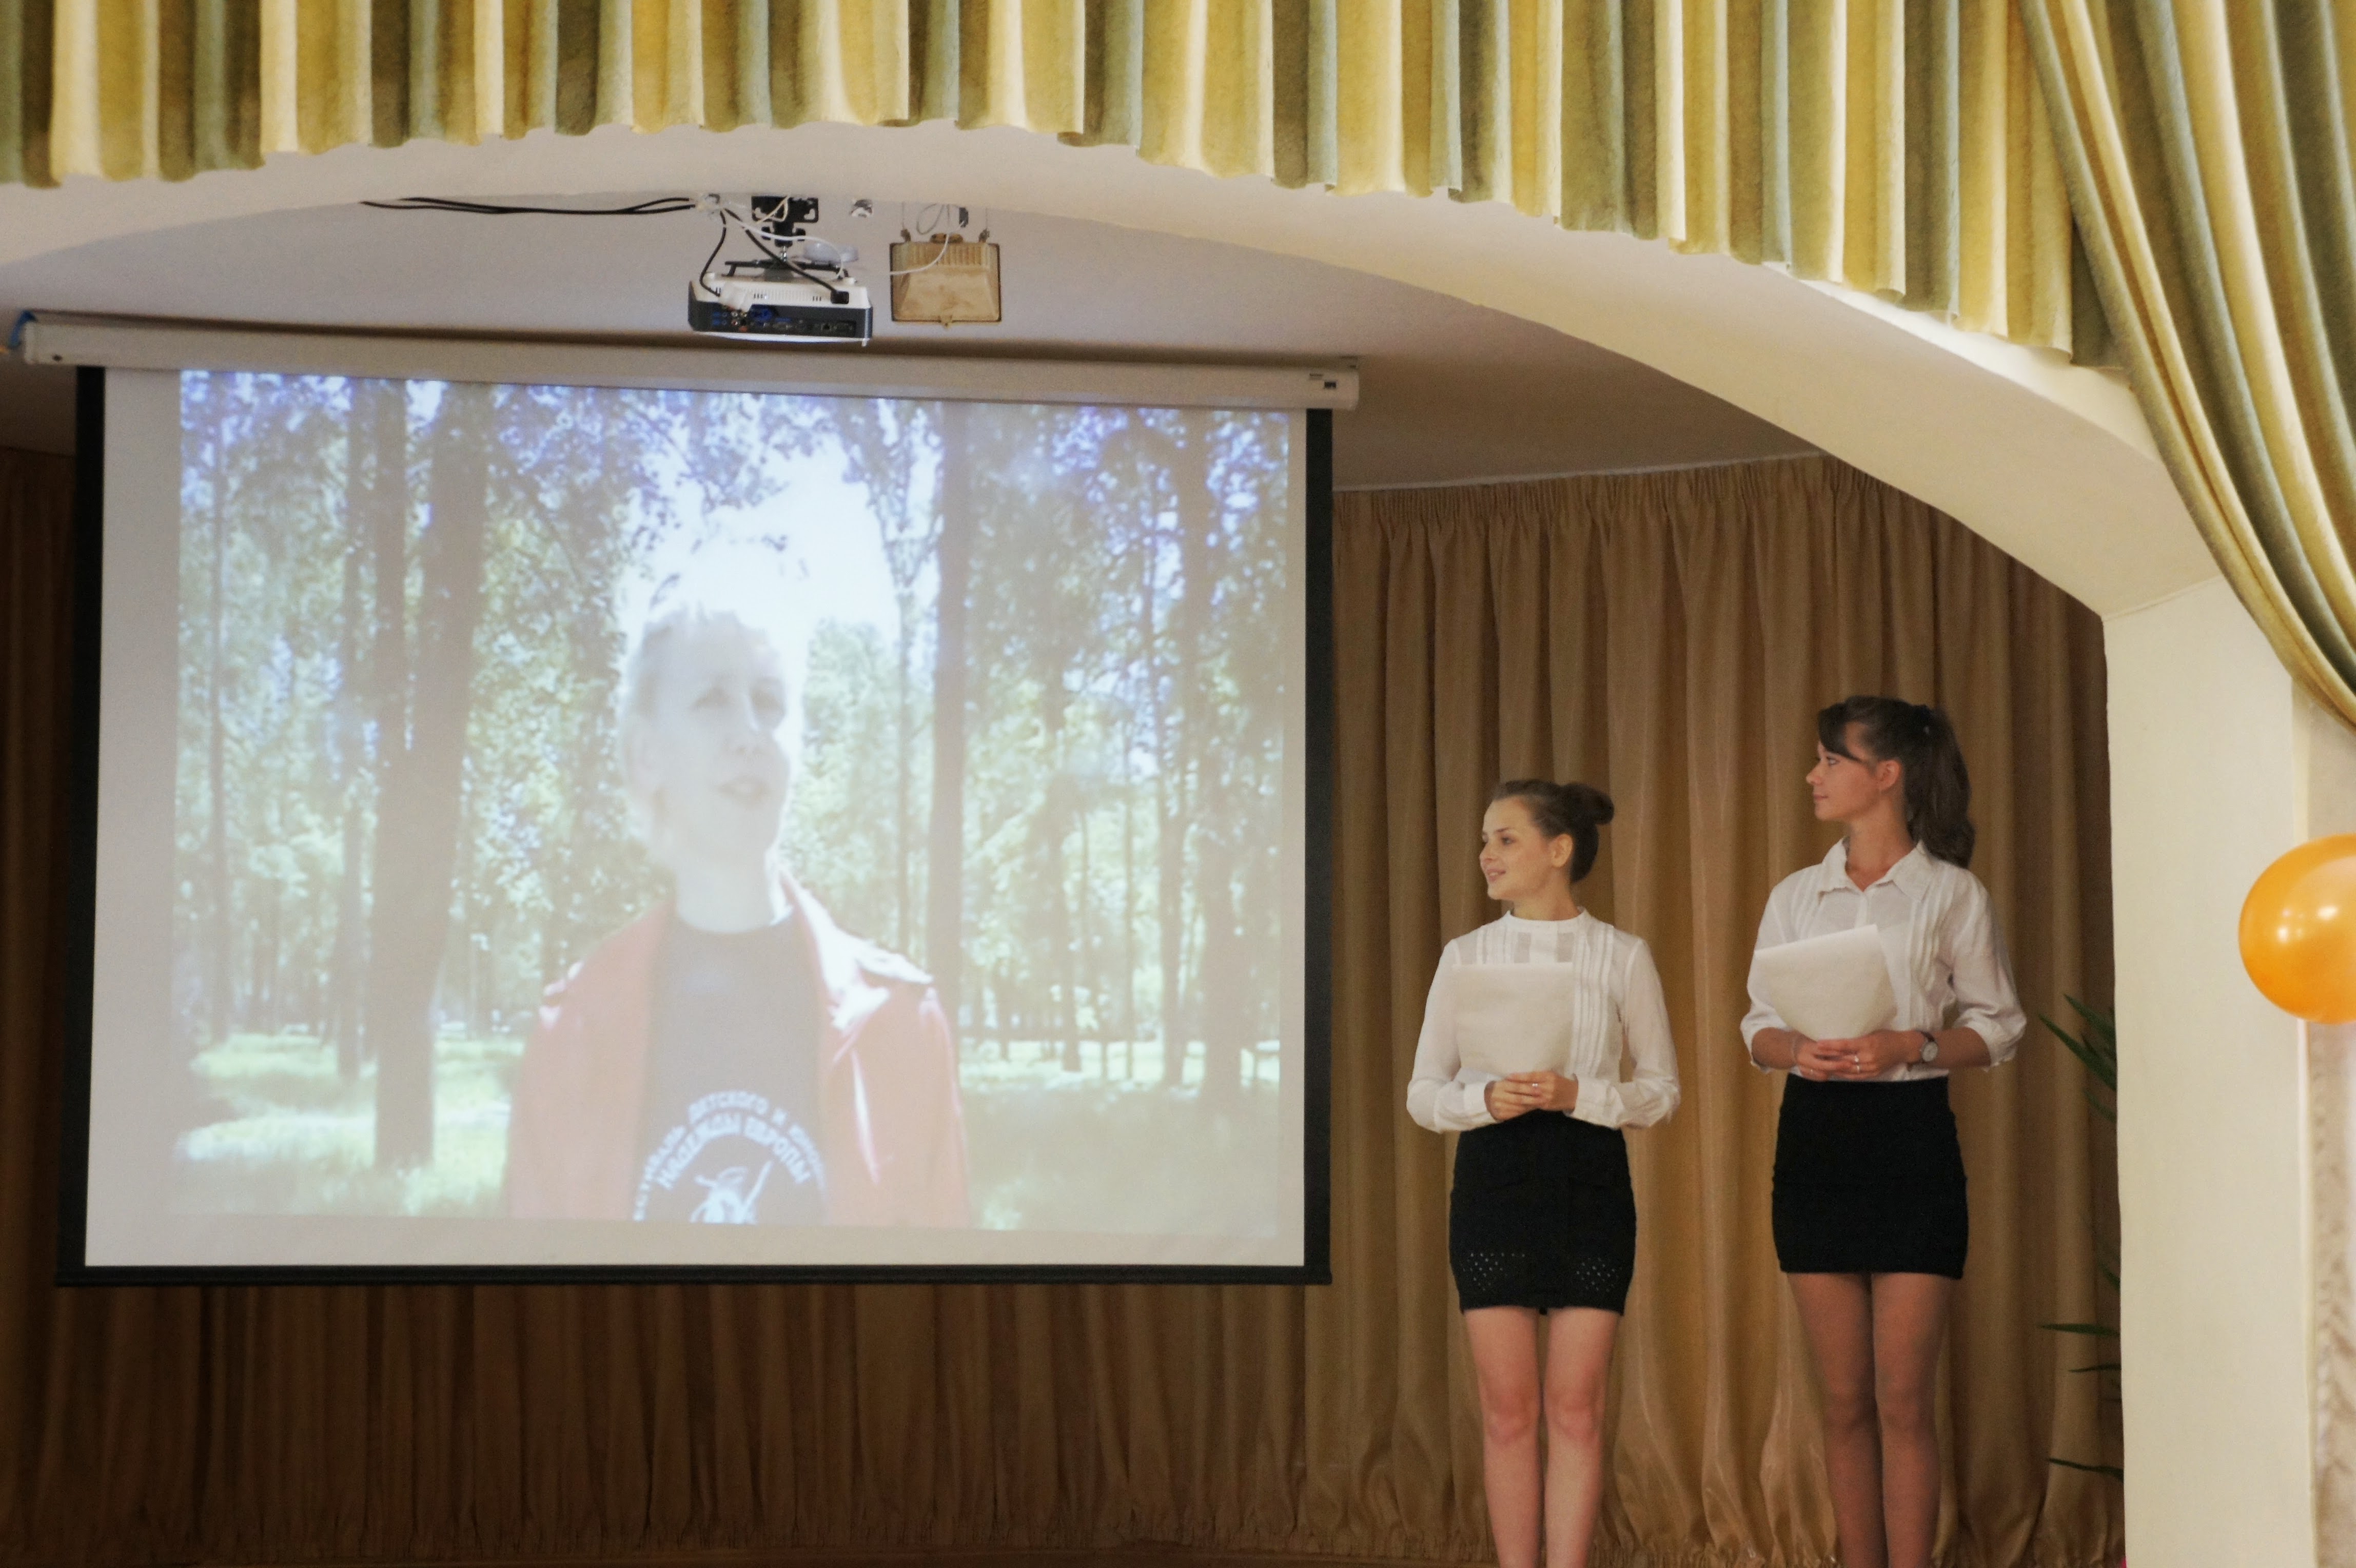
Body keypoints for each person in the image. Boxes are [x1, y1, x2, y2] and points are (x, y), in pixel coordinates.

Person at [504, 585, 968, 1227]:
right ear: (647, 755)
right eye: (712, 700)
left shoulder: (901, 1022)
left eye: (769, 702)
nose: (750, 732)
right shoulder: (572, 1032)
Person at [1742, 697, 2024, 1568]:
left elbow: (2000, 1026)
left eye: (1831, 760)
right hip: (1815, 1140)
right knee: (1843, 1402)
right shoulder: (1796, 895)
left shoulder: (1952, 892)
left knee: (1903, 1401)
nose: (1813, 775)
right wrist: (1798, 1050)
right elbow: (1755, 1026)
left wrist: (1913, 1045)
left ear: (1887, 774)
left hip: (1912, 1141)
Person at [1407, 780, 1681, 1568]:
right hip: (1493, 1182)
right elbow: (1422, 1093)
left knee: (1576, 1410)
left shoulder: (1622, 955)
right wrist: (1485, 1100)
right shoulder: (1465, 956)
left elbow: (1662, 1090)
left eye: (1506, 839)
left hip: (1589, 1181)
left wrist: (1579, 1095)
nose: (1486, 856)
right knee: (1506, 1412)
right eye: (1485, 840)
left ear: (1559, 850)